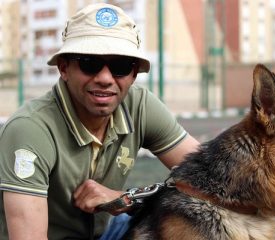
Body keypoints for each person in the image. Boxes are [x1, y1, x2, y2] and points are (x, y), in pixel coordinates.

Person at [0, 3, 199, 240]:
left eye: (120, 66)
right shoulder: (30, 129)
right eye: (89, 63)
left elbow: (210, 179)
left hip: (109, 231)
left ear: (134, 74)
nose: (104, 78)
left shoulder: (140, 105)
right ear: (64, 68)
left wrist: (127, 198)